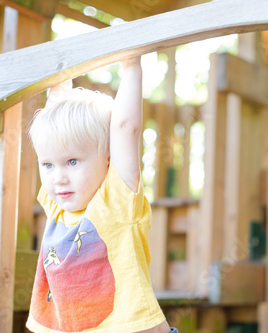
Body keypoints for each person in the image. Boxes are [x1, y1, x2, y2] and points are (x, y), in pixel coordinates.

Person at [25, 57, 176, 333]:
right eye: (48, 165)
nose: (58, 177)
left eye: (72, 162)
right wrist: (60, 72)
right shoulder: (57, 207)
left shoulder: (116, 202)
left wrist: (131, 65)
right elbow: (52, 129)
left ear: (107, 160)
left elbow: (125, 128)